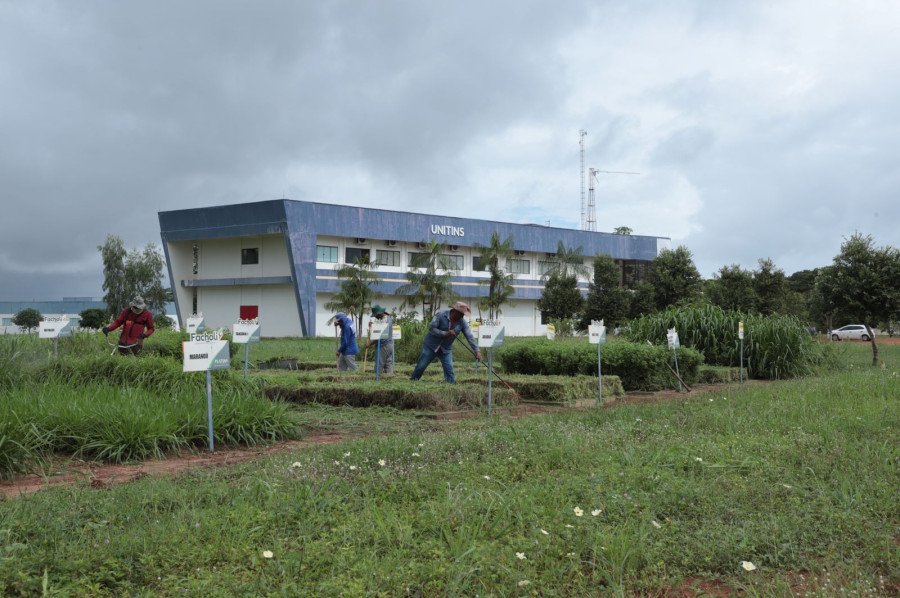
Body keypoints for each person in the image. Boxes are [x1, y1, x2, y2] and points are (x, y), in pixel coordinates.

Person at [410, 301, 482, 383]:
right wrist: (445, 333)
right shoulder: (441, 315)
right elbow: (431, 328)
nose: (462, 316)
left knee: (449, 369)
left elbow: (470, 337)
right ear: (455, 311)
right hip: (431, 346)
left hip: (446, 348)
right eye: (461, 314)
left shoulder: (462, 322)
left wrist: (477, 350)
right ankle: (413, 382)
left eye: (463, 315)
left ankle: (450, 387)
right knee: (421, 366)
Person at [367, 304, 394, 375]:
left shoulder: (384, 322)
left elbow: (380, 336)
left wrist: (370, 344)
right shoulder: (388, 318)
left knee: (379, 363)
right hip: (390, 344)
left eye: (375, 315)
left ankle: (376, 377)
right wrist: (372, 326)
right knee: (388, 363)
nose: (375, 317)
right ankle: (389, 377)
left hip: (383, 345)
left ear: (379, 314)